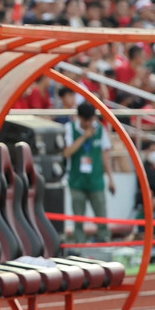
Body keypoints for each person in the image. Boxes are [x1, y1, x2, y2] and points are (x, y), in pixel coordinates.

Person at [61, 102, 116, 245]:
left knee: (101, 216)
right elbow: (67, 152)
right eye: (86, 120)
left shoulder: (101, 130)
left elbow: (106, 155)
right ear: (79, 118)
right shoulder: (69, 128)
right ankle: (79, 245)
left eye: (92, 119)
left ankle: (105, 241)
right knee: (78, 217)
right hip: (76, 181)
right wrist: (84, 137)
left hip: (96, 181)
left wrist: (111, 179)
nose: (90, 123)